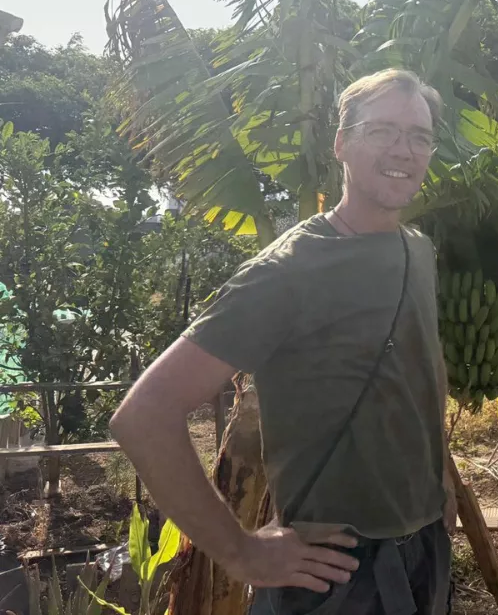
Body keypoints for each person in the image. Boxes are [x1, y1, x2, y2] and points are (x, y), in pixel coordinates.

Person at [110, 69, 456, 615]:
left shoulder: (418, 252)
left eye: (419, 135)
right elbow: (143, 415)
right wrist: (240, 552)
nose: (404, 150)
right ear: (341, 143)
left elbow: (420, 375)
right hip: (336, 576)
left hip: (425, 555)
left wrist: (440, 490)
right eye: (383, 130)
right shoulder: (290, 270)